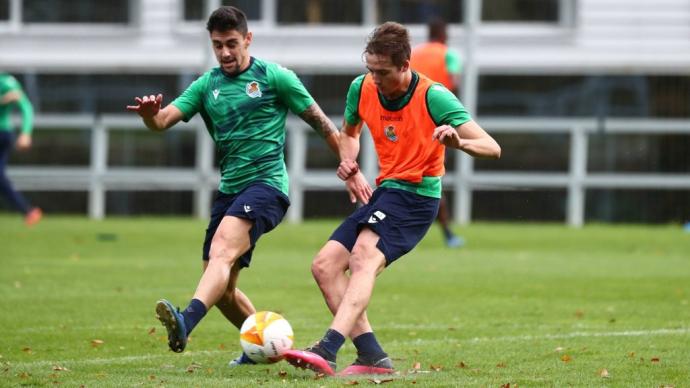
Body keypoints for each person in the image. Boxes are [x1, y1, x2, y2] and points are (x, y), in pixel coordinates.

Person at [126, 6, 341, 366]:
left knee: (223, 249)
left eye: (231, 43)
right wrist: (150, 116)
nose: (225, 52)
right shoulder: (206, 85)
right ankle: (270, 349)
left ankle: (186, 320)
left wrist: (349, 166)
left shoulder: (275, 77)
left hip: (268, 185)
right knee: (223, 289)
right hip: (230, 190)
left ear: (248, 39)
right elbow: (163, 121)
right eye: (217, 45)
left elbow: (323, 124)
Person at [284, 22, 500, 376]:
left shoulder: (434, 96)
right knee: (324, 266)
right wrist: (349, 163)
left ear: (405, 65)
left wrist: (459, 143)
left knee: (363, 256)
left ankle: (328, 348)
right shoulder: (362, 86)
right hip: (386, 192)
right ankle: (372, 356)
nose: (375, 79)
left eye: (382, 72)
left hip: (416, 197)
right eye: (370, 69)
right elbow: (348, 134)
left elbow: (492, 147)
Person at [410, 18, 464, 248]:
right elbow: (455, 82)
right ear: (444, 34)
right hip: (435, 126)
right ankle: (447, 233)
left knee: (401, 173)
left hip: (409, 123)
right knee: (432, 177)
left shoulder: (414, 54)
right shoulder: (449, 55)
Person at [0, 73, 42, 226]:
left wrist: (25, 132)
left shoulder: (6, 82)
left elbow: (25, 106)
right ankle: (27, 210)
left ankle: (27, 210)